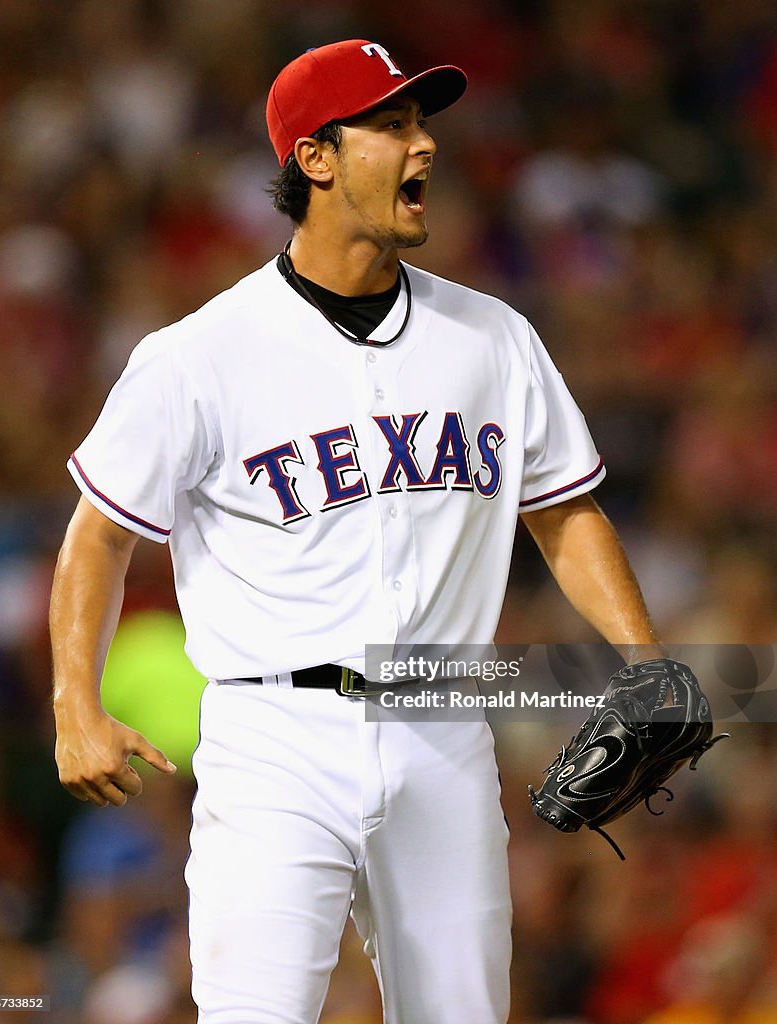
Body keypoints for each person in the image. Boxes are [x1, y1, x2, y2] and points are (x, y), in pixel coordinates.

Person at [51, 39, 665, 1024]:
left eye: (421, 123)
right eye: (390, 125)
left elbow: (563, 511)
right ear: (316, 158)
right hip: (273, 736)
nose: (422, 146)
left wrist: (643, 661)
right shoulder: (198, 356)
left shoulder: (493, 337)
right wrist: (73, 703)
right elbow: (99, 535)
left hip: (442, 726)